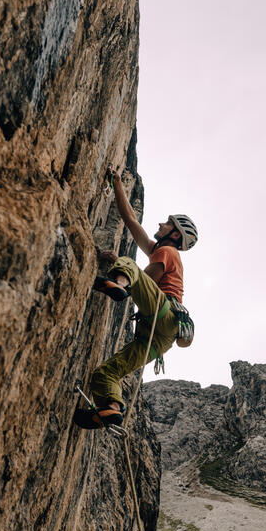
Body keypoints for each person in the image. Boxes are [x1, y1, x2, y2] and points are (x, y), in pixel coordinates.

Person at [73, 165, 198, 429]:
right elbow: (131, 221)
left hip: (162, 313)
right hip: (158, 339)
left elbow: (147, 278)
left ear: (175, 234)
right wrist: (117, 182)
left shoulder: (168, 253)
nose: (160, 224)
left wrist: (121, 269)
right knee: (108, 373)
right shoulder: (159, 249)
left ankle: (118, 284)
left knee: (129, 264)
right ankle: (111, 409)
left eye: (167, 223)